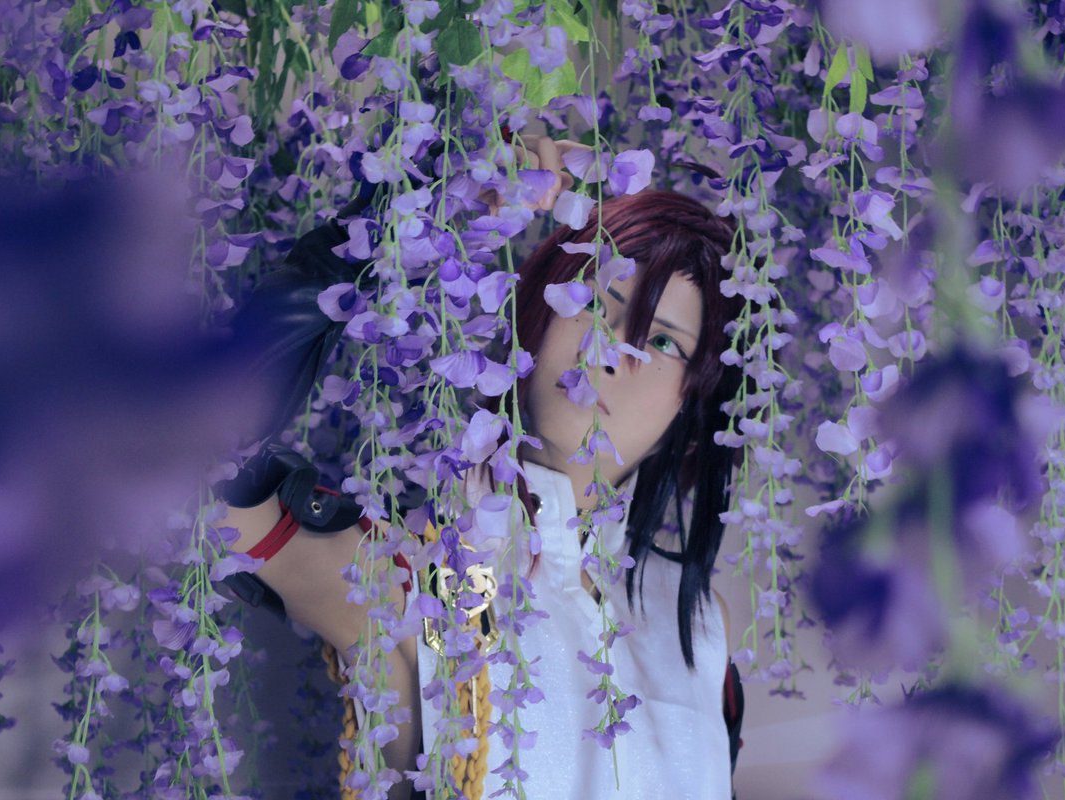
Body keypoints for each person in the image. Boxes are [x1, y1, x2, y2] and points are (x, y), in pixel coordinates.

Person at [219, 138, 744, 799]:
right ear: (533, 318)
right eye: (593, 301)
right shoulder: (420, 575)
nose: (612, 349)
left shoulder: (700, 622)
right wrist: (407, 212)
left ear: (694, 409)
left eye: (663, 340)